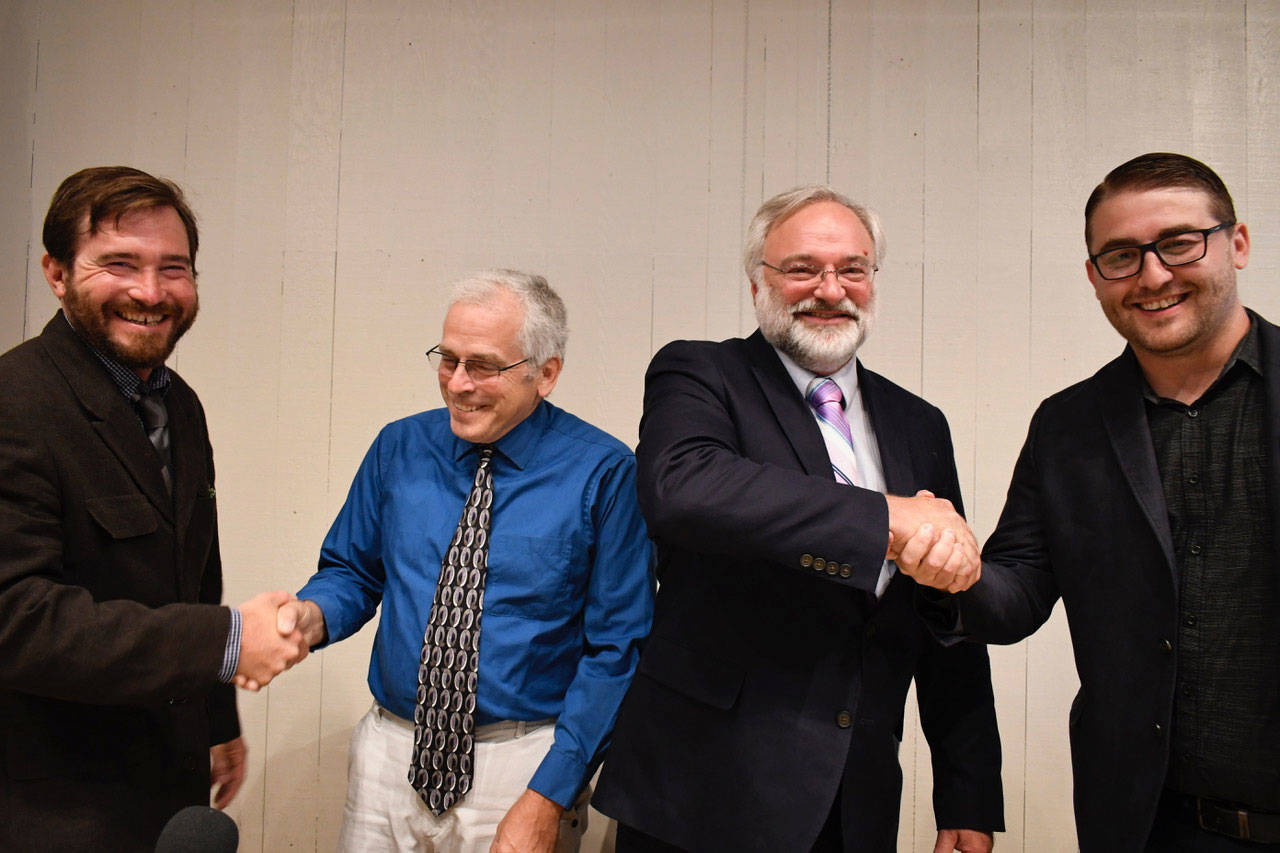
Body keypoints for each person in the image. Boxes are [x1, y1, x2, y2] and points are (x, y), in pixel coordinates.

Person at [592, 186, 1004, 852]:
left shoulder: (919, 424)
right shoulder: (701, 372)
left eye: (852, 269)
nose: (829, 288)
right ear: (759, 279)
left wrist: (968, 793)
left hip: (856, 797)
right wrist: (884, 520)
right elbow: (682, 487)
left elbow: (944, 622)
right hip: (700, 794)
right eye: (803, 268)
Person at [901, 152, 1280, 850]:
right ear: (1094, 276)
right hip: (1145, 827)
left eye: (1178, 242)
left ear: (1239, 243)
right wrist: (944, 568)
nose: (1153, 275)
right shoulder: (1068, 425)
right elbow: (1015, 595)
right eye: (1121, 255)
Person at [276, 270, 654, 852]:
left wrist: (550, 793)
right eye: (446, 359)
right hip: (390, 750)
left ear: (545, 373)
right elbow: (352, 572)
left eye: (482, 365)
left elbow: (617, 648)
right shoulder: (399, 447)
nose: (456, 383)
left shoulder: (602, 473)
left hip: (521, 762)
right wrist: (309, 618)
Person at [0, 166, 309, 850]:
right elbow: (16, 618)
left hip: (169, 794)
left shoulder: (179, 403)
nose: (150, 291)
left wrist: (217, 718)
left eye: (174, 267)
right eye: (119, 263)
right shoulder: (15, 404)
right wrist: (226, 642)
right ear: (55, 272)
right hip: (52, 807)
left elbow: (192, 577)